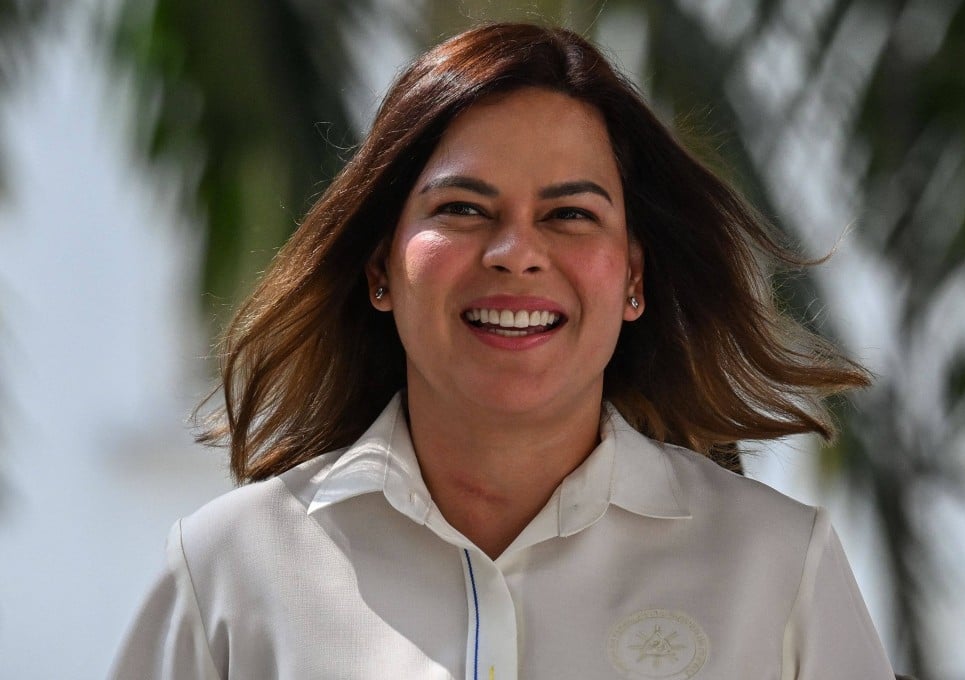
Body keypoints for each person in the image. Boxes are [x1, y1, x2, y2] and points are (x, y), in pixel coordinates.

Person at [110, 22, 898, 680]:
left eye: (569, 215)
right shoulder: (228, 567)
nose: (516, 252)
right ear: (381, 267)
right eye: (462, 207)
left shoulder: (777, 565)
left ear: (633, 279)